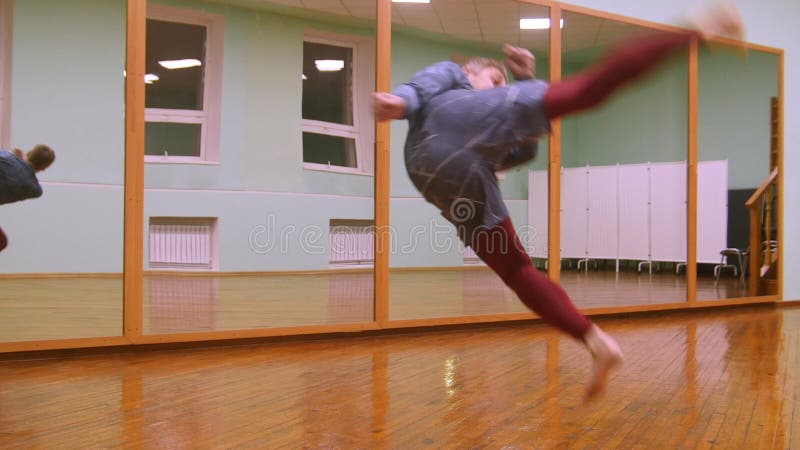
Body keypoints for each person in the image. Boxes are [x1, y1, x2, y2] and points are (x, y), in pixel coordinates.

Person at [373, 2, 744, 402]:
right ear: (470, 74)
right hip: (447, 126)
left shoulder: (494, 119)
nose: (499, 88)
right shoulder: (455, 78)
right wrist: (401, 101)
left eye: (502, 84)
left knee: (517, 271)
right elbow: (429, 82)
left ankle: (595, 341)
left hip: (443, 177)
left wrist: (523, 77)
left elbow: (523, 151)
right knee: (585, 90)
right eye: (493, 79)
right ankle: (698, 29)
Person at [0, 144, 56, 252]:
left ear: (29, 152)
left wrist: (15, 156)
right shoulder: (34, 189)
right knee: (2, 242)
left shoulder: (7, 157)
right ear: (44, 168)